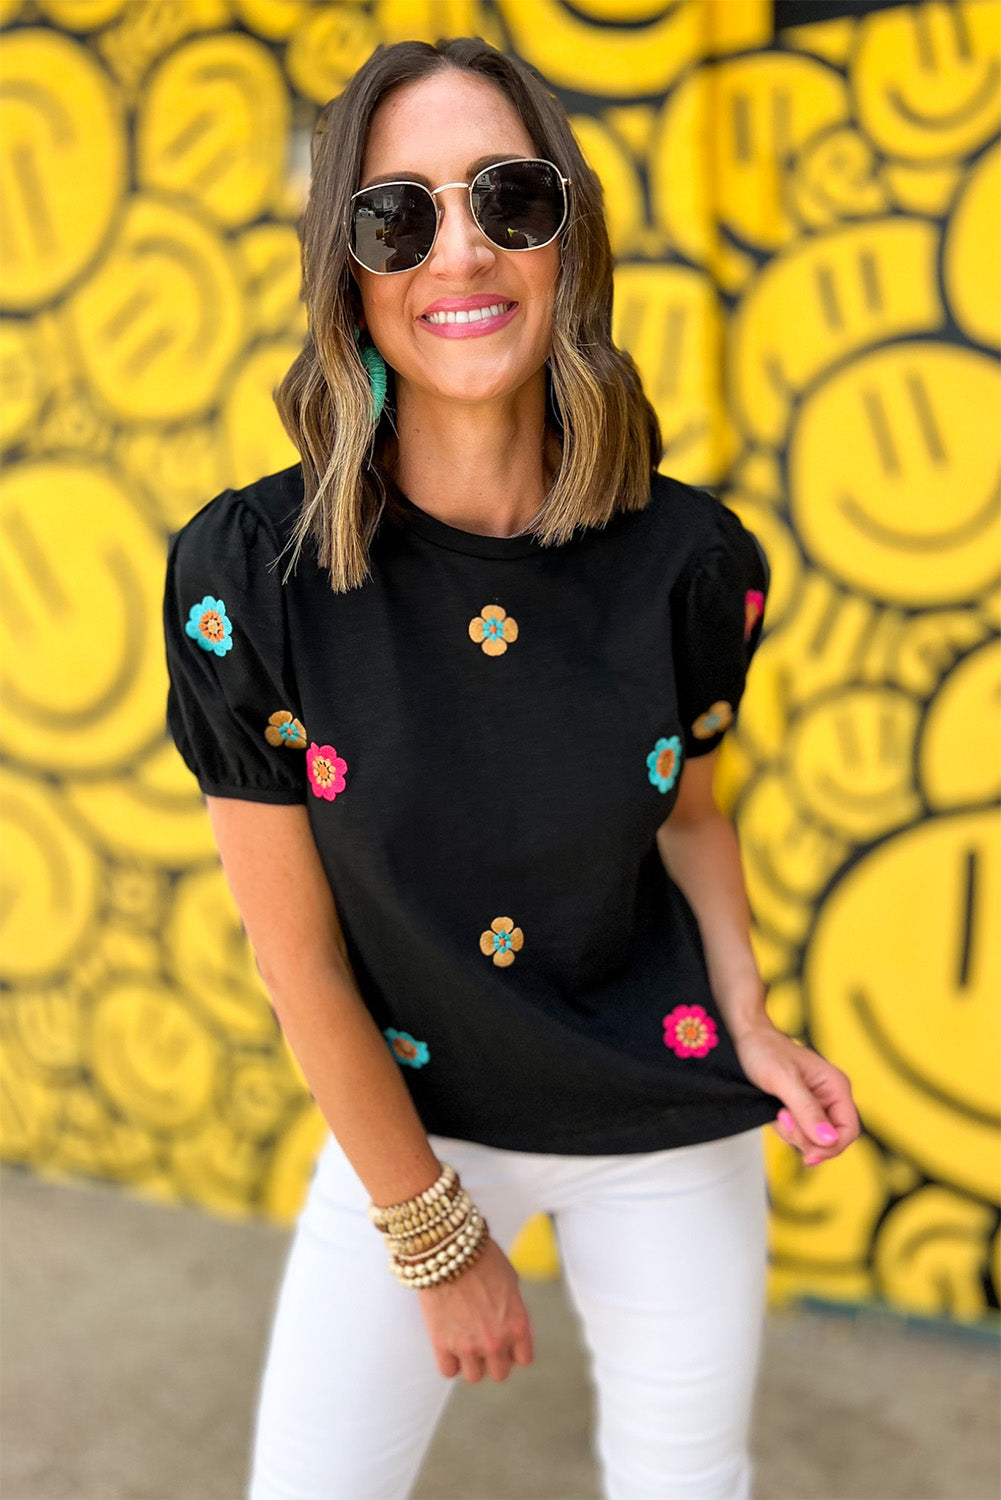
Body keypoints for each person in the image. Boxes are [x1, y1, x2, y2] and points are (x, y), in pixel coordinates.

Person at [162, 35, 860, 1500]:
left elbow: (687, 814)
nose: (458, 249)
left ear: (566, 239)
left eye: (508, 198)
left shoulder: (693, 561)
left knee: (690, 1484)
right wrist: (430, 1228)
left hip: (659, 1115)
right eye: (396, 214)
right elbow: (301, 969)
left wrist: (748, 1014)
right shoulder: (246, 576)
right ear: (346, 268)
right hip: (407, 1129)